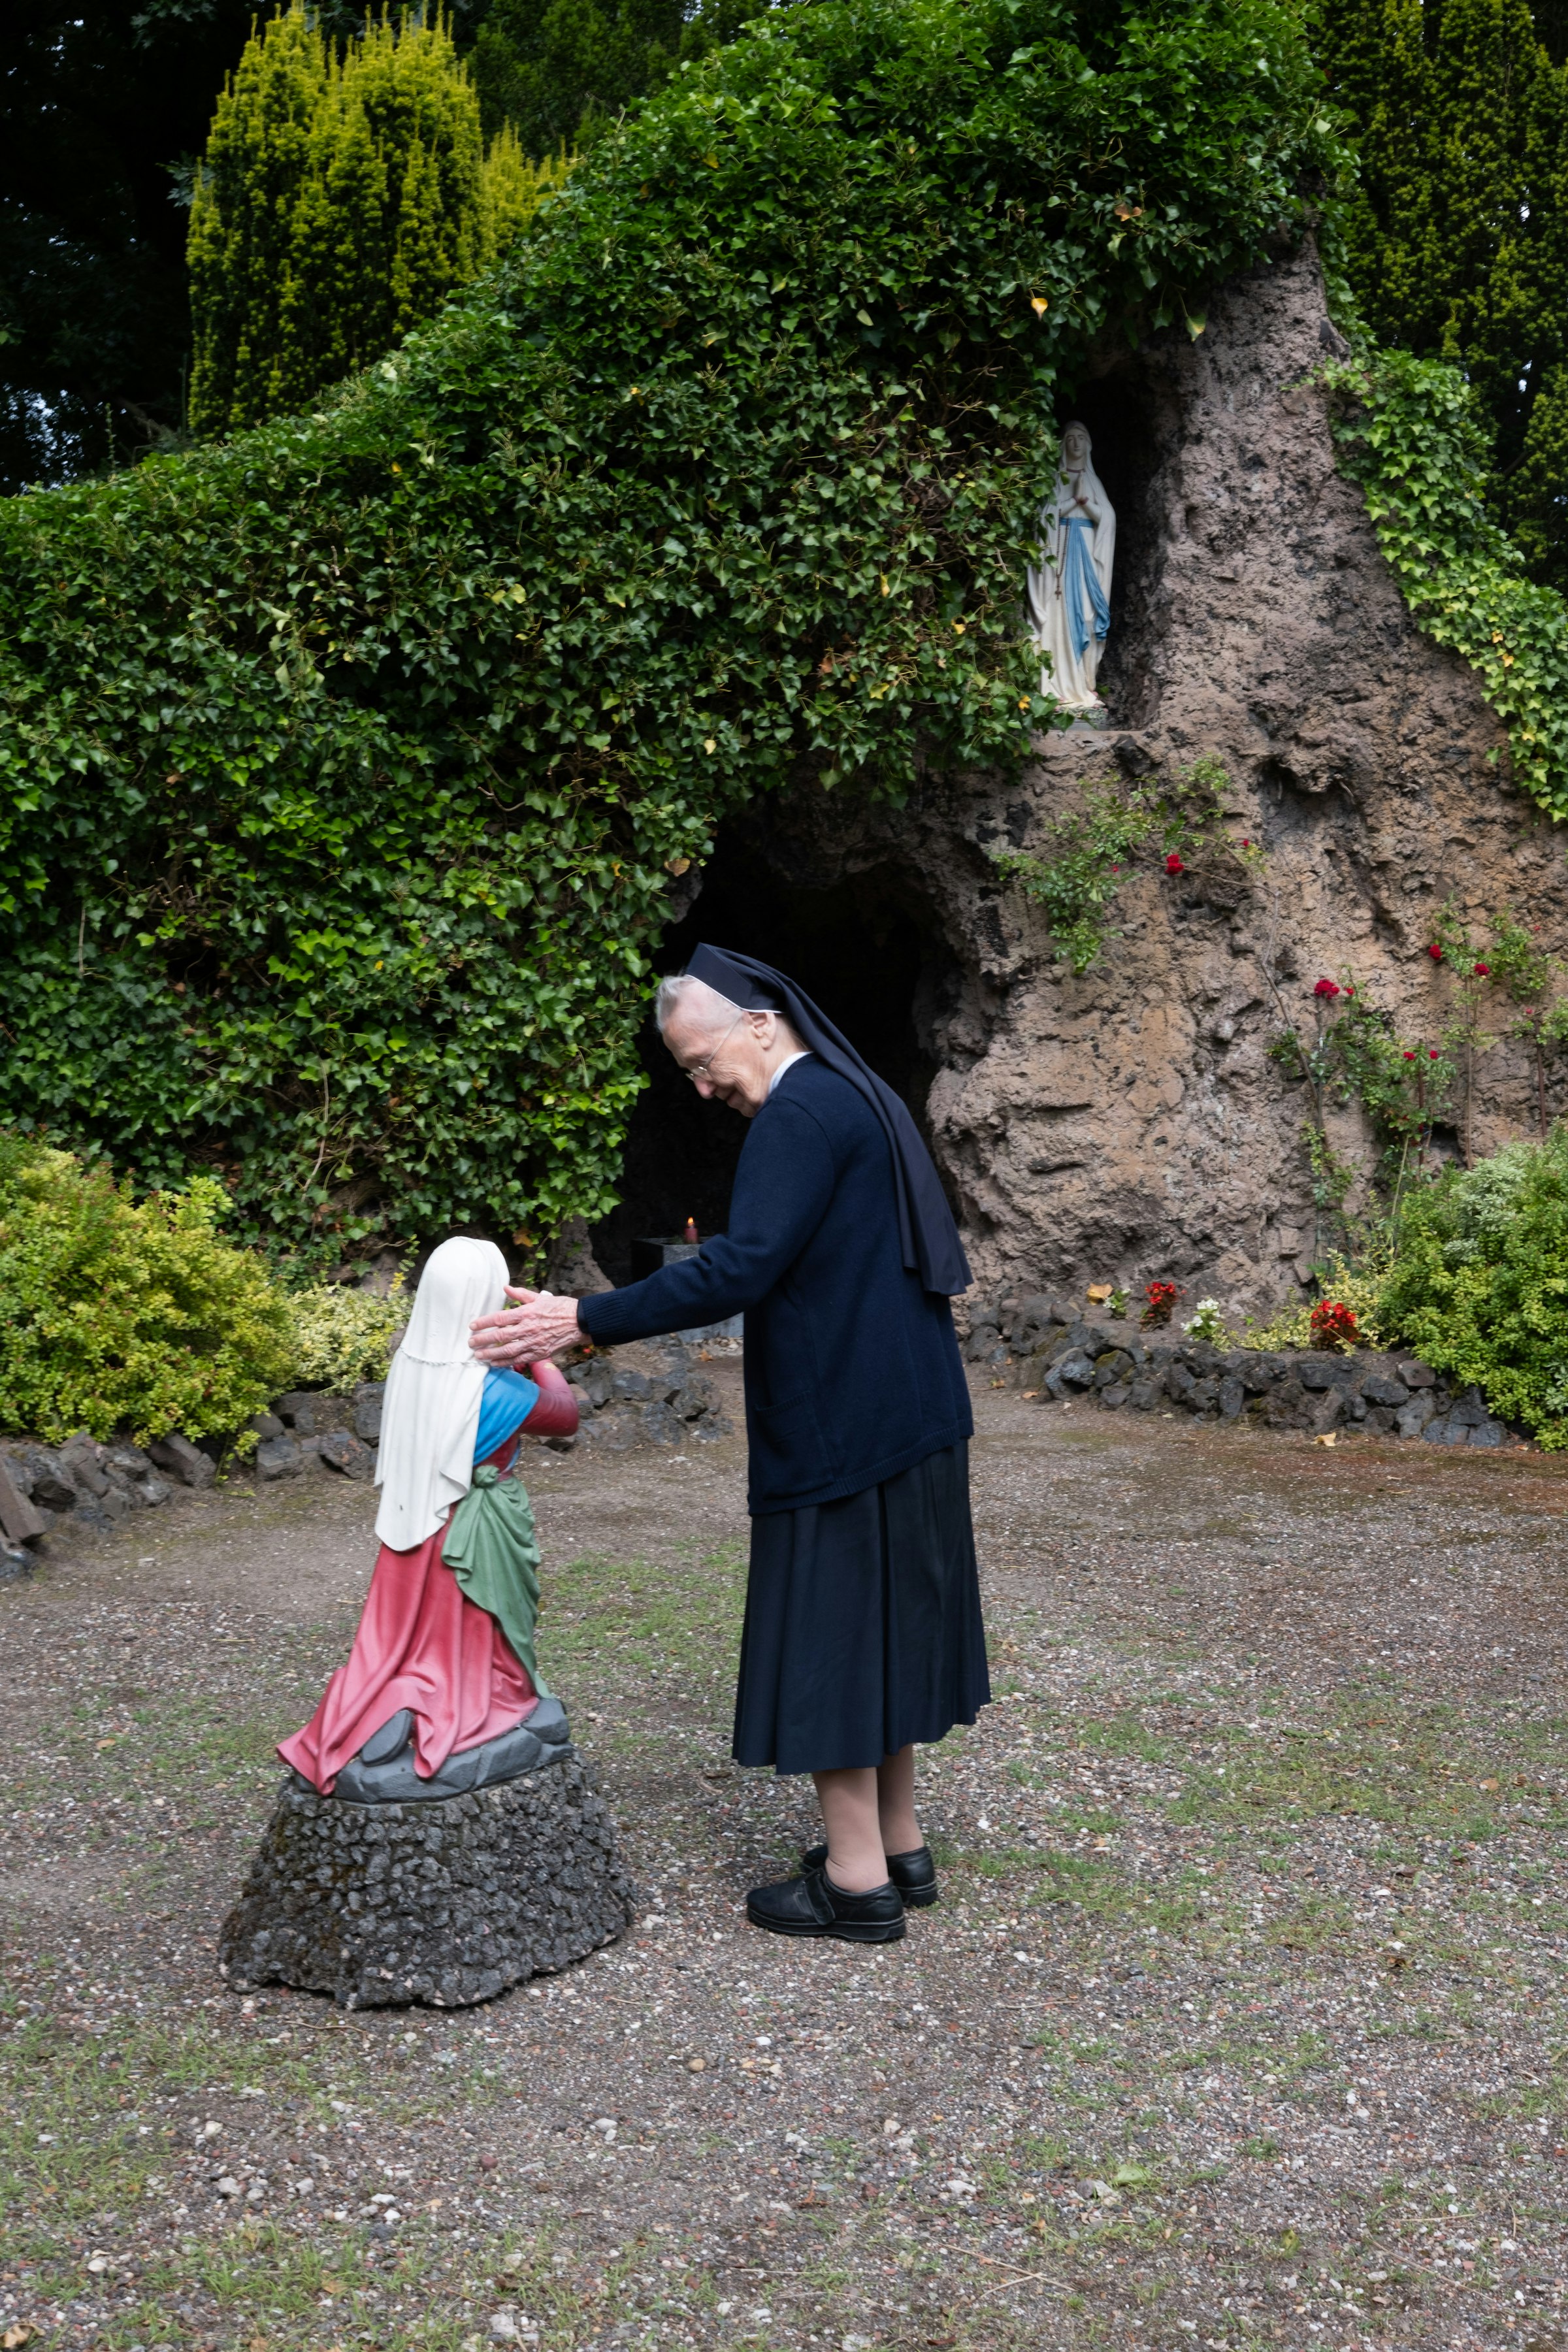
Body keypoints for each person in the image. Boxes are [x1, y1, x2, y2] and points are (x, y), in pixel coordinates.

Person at [469, 943, 990, 1944]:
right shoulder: (855, 1094)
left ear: (760, 1020)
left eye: (701, 1061)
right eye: (688, 1074)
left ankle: (855, 1882)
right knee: (886, 1625)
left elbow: (740, 1268)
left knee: (837, 1634)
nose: (703, 1089)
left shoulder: (799, 1112)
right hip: (910, 1406)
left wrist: (582, 1316)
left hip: (844, 1423)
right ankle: (898, 1844)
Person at [280, 1235, 580, 1803]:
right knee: (482, 1628)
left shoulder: (412, 1366)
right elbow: (564, 1417)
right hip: (476, 1527)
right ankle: (462, 1700)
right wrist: (537, 1346)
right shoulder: (493, 1388)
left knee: (406, 1636)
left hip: (411, 1528)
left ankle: (397, 1695)